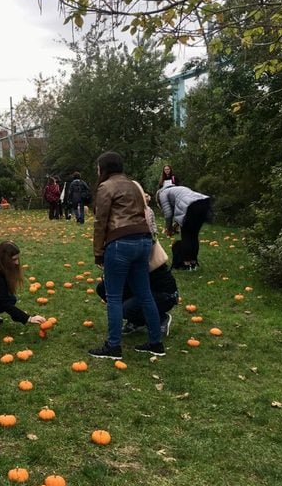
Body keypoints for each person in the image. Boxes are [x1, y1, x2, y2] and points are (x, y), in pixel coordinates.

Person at [90, 151, 164, 359]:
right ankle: (155, 342)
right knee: (144, 293)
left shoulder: (106, 187)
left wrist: (98, 253)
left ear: (103, 168)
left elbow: (100, 221)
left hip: (120, 243)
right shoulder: (133, 185)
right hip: (143, 241)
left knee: (114, 296)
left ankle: (113, 346)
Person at [96, 263, 177, 336]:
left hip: (163, 293)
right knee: (103, 288)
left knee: (125, 309)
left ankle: (161, 318)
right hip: (140, 287)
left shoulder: (138, 250)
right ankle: (137, 321)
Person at [157, 184, 212, 270]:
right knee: (194, 235)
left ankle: (187, 264)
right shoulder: (180, 188)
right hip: (203, 203)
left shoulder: (162, 193)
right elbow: (181, 206)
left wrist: (168, 229)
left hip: (191, 206)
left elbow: (168, 214)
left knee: (186, 236)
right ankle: (194, 263)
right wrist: (176, 224)